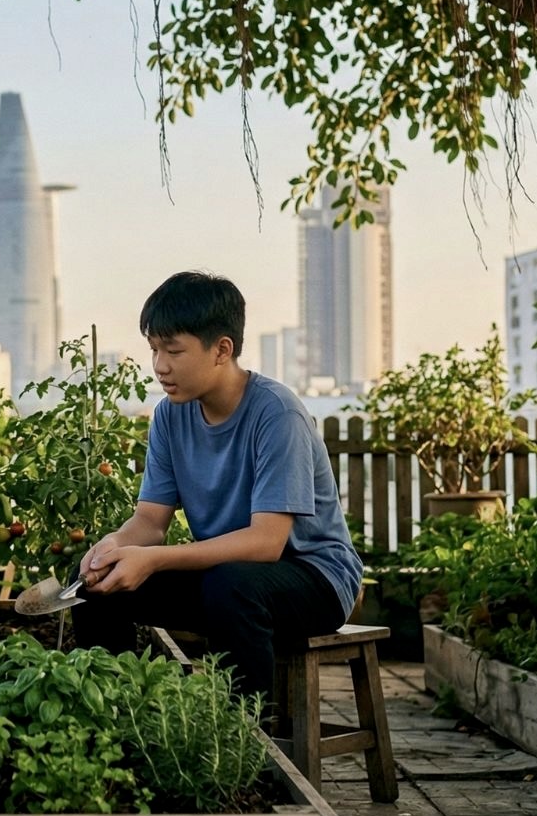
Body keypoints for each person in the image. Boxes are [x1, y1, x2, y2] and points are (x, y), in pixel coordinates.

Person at [74, 271, 363, 699]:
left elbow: (267, 543)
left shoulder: (277, 414)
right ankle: (119, 723)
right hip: (225, 576)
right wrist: (113, 547)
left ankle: (246, 746)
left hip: (315, 579)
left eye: (174, 351)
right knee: (98, 586)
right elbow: (150, 522)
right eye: (154, 349)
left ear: (221, 350)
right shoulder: (171, 416)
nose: (160, 366)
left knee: (230, 588)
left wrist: (153, 561)